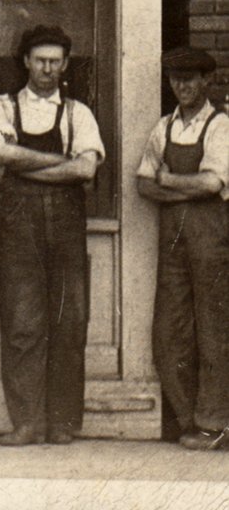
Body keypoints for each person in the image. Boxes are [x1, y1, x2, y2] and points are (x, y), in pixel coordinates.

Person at [0, 23, 103, 446]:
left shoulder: (78, 113)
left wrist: (25, 162)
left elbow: (86, 168)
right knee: (23, 324)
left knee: (69, 323)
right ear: (26, 62)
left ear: (65, 64)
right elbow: (1, 154)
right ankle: (27, 421)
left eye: (55, 61)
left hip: (67, 228)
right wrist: (59, 164)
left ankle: (61, 422)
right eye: (40, 60)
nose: (48, 69)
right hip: (20, 226)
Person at [135, 45, 229, 452]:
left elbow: (213, 183)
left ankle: (215, 423)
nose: (183, 86)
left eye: (190, 79)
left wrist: (169, 181)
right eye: (176, 79)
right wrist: (180, 187)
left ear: (206, 81)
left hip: (212, 243)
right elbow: (142, 183)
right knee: (170, 330)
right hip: (173, 243)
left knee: (213, 330)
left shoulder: (220, 127)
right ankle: (189, 417)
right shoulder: (165, 127)